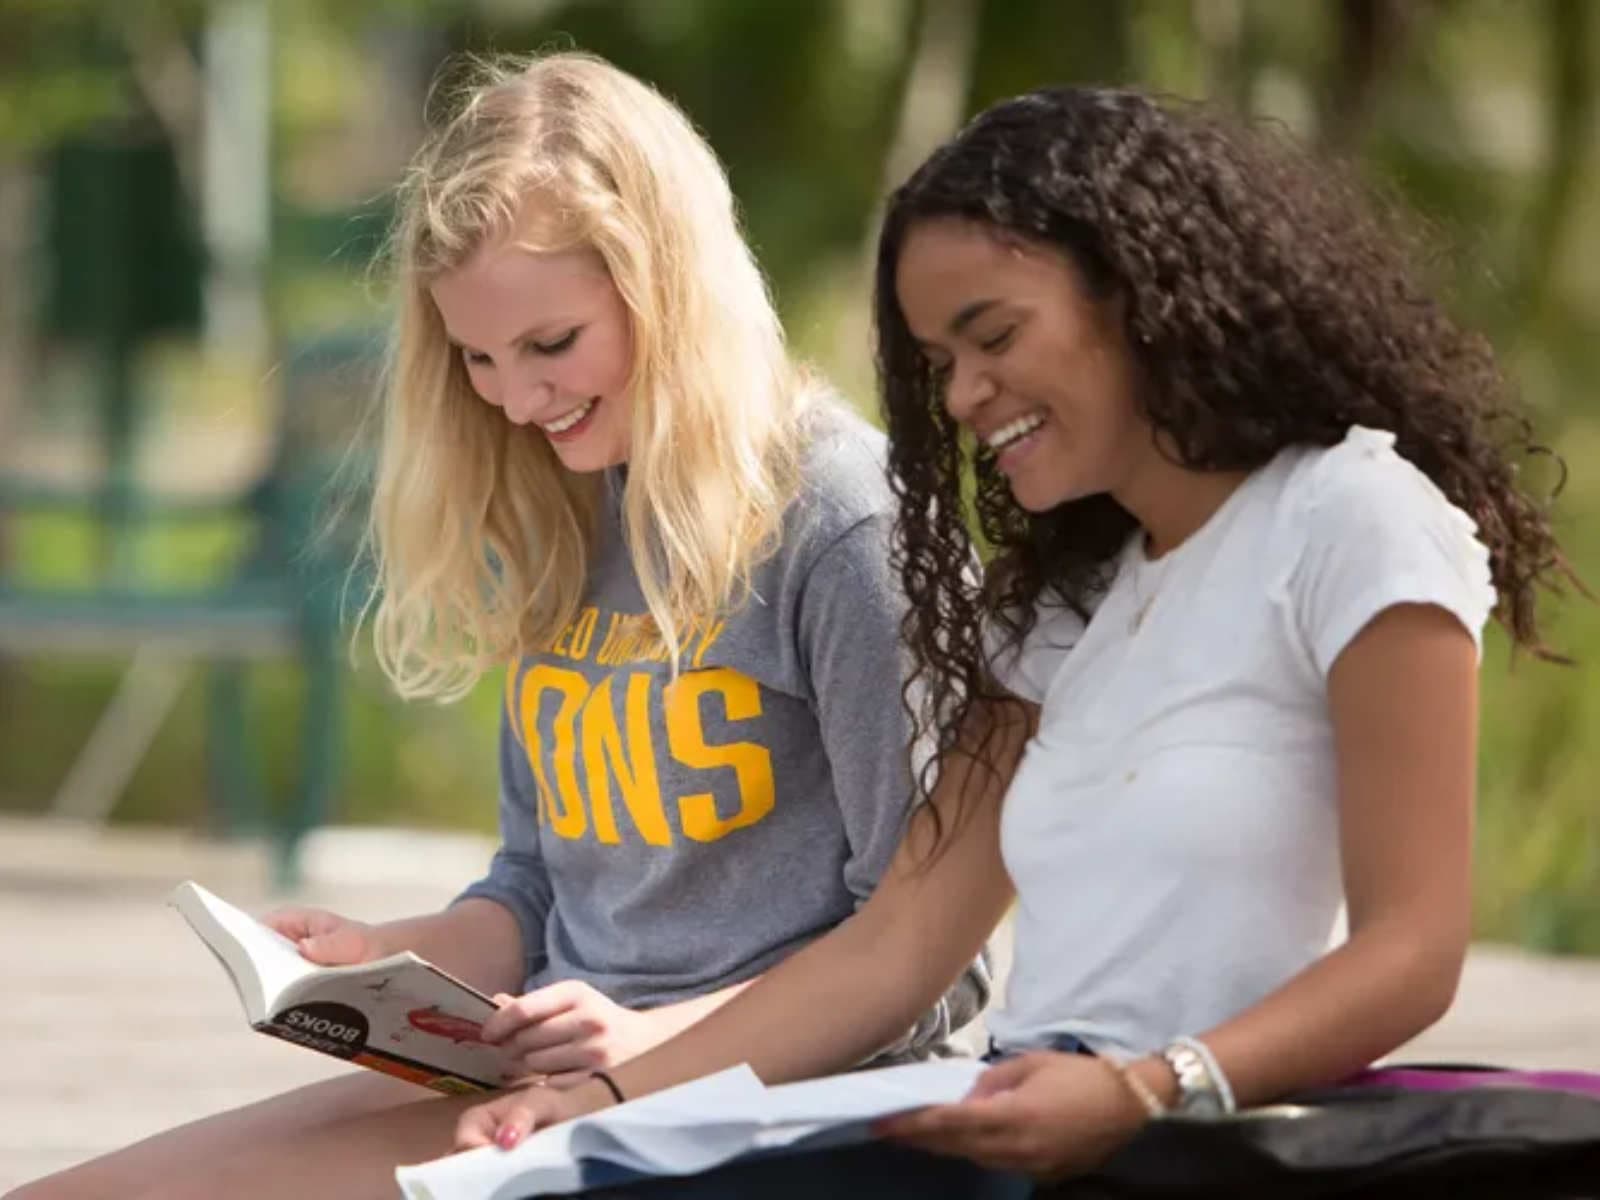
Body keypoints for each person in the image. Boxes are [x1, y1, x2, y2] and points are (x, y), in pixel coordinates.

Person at [454, 85, 1576, 1193]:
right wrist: (603, 1105)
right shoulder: (1060, 599)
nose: (962, 397)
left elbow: (1412, 957)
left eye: (992, 337)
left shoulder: (1350, 519)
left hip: (1214, 1143)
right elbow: (896, 943)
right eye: (939, 361)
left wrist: (1145, 1090)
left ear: (1143, 294)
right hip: (1018, 1126)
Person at [8, 52, 989, 1200]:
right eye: (476, 358)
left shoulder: (842, 527)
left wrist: (649, 1049)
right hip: (552, 1086)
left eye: (550, 346)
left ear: (668, 286)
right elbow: (534, 885)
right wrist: (387, 963)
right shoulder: (575, 504)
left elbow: (922, 959)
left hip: (778, 1110)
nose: (516, 401)